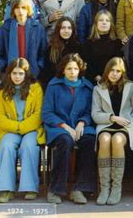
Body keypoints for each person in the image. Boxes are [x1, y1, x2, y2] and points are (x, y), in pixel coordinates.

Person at [42, 54, 96, 204]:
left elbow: (90, 110)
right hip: (59, 127)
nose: (72, 72)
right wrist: (65, 127)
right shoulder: (54, 86)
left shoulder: (87, 87)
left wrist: (82, 123)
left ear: (80, 70)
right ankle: (56, 190)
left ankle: (80, 188)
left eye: (75, 69)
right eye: (69, 69)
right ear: (63, 70)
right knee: (65, 142)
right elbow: (47, 113)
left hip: (81, 127)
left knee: (90, 141)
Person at [0, 58, 45, 203]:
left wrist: (22, 128)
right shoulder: (2, 91)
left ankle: (30, 188)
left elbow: (38, 114)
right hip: (10, 129)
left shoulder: (36, 88)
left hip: (31, 129)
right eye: (14, 73)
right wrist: (16, 127)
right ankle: (6, 189)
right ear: (9, 74)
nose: (17, 76)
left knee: (29, 146)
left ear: (26, 74)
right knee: (6, 146)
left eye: (21, 73)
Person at [91, 57, 133, 205]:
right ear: (107, 71)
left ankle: (116, 187)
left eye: (118, 71)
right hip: (107, 124)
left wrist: (130, 120)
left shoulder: (130, 86)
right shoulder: (98, 88)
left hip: (126, 125)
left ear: (122, 72)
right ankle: (105, 187)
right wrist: (112, 118)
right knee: (105, 139)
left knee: (117, 140)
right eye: (112, 70)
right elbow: (95, 114)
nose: (114, 74)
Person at [0, 0, 47, 78]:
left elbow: (44, 52)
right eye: (17, 8)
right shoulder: (5, 29)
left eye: (23, 8)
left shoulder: (38, 28)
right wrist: (6, 67)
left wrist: (38, 66)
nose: (20, 11)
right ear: (13, 10)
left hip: (32, 74)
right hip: (11, 76)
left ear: (28, 9)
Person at [81, 10, 123, 84]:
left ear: (111, 24)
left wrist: (108, 78)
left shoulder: (117, 43)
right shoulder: (88, 44)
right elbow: (87, 63)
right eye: (101, 20)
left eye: (107, 20)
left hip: (113, 80)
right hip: (94, 81)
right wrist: (96, 77)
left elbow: (118, 63)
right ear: (96, 23)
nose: (104, 22)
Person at [39, 17, 81, 89]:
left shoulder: (78, 48)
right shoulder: (51, 49)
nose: (66, 31)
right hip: (56, 86)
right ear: (58, 30)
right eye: (63, 28)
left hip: (74, 86)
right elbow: (47, 72)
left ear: (73, 30)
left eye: (69, 28)